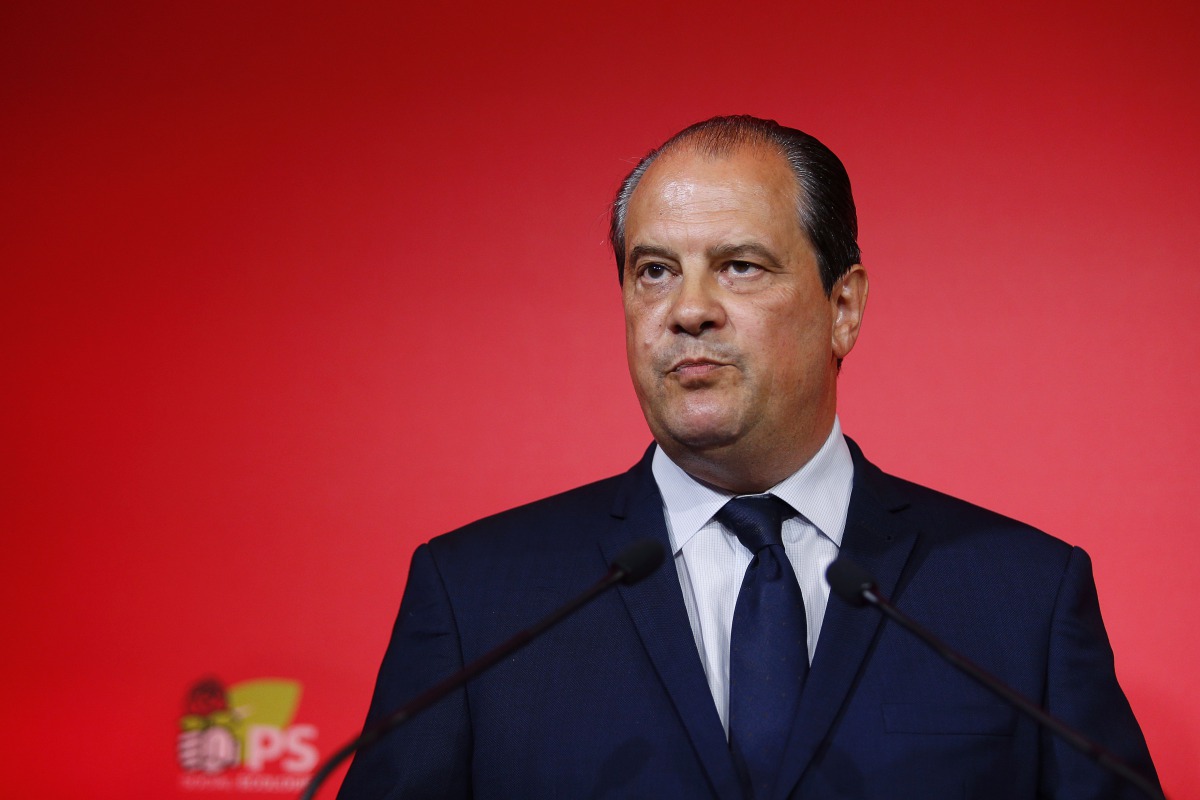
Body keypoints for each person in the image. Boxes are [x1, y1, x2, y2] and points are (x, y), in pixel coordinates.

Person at [337, 116, 1159, 799]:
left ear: (843, 308)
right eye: (653, 271)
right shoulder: (481, 598)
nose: (688, 310)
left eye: (739, 266)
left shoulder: (1020, 597)